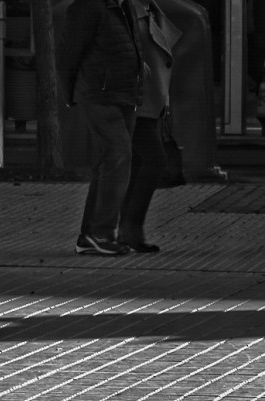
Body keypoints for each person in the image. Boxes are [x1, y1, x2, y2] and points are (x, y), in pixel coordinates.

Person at [58, 0, 144, 256]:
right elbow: (67, 55)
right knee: (118, 156)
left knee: (111, 162)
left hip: (124, 95)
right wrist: (71, 94)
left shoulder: (123, 6)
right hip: (99, 94)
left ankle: (92, 235)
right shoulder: (88, 7)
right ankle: (100, 233)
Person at [119, 0, 182, 253]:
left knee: (138, 163)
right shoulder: (128, 10)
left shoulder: (151, 10)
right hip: (137, 100)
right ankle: (129, 227)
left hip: (152, 102)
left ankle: (125, 227)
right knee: (154, 160)